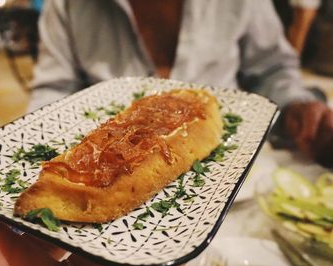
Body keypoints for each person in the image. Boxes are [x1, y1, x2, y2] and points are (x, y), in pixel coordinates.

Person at [29, 0, 333, 167]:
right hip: (110, 178)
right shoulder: (66, 5)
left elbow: (272, 67)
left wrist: (296, 103)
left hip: (230, 173)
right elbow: (53, 90)